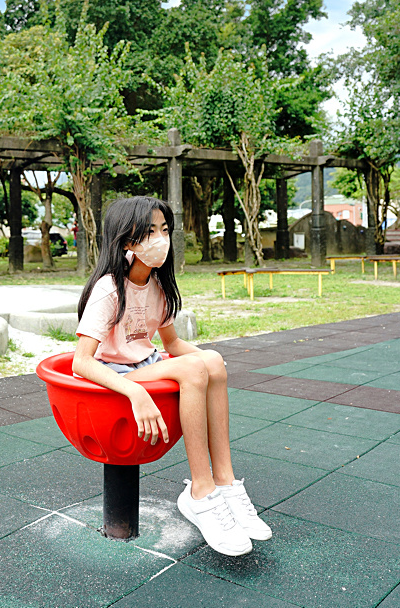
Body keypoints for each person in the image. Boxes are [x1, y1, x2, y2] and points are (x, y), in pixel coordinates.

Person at [74, 196, 270, 557]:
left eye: (165, 230)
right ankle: (200, 490)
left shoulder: (158, 287)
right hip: (117, 373)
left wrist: (215, 363)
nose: (160, 239)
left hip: (147, 364)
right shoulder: (107, 289)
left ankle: (225, 482)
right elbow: (81, 362)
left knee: (209, 360)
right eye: (149, 231)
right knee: (196, 367)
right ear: (126, 240)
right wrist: (134, 391)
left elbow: (173, 343)